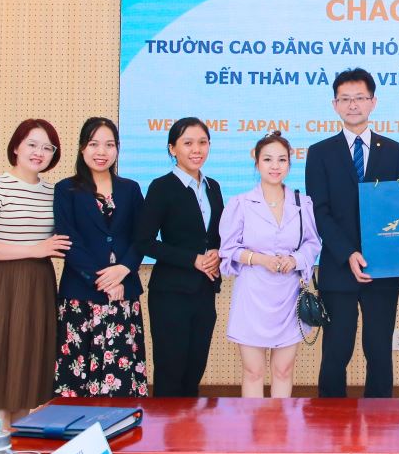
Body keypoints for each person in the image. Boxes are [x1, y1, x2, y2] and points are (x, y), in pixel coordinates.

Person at [305, 68, 399, 398]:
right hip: (339, 269)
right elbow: (320, 212)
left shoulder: (394, 150)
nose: (353, 105)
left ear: (373, 102)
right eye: (345, 99)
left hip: (384, 270)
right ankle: (330, 424)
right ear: (334, 104)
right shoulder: (320, 152)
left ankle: (381, 423)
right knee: (336, 353)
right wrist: (348, 253)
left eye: (360, 98)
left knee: (379, 353)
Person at [0, 119, 69, 424]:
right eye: (32, 144)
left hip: (38, 285)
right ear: (16, 147)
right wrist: (35, 249)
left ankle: (19, 444)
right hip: (1, 284)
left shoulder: (53, 193)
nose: (39, 152)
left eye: (47, 147)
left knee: (26, 370)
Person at [218, 132, 321, 397]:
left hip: (289, 296)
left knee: (283, 370)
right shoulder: (240, 203)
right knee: (253, 372)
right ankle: (254, 425)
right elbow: (228, 249)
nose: (275, 166)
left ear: (289, 163)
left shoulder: (302, 202)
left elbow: (313, 243)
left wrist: (295, 259)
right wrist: (259, 259)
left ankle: (279, 423)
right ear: (257, 162)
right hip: (252, 295)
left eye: (281, 160)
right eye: (268, 159)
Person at [53, 117, 148, 397]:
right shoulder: (66, 189)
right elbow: (68, 241)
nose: (101, 152)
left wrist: (124, 270)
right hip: (81, 296)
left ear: (117, 148)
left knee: (121, 380)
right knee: (77, 380)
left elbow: (141, 237)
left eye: (109, 144)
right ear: (82, 148)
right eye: (94, 144)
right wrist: (105, 280)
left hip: (123, 294)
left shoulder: (130, 189)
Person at [135, 117, 224, 397]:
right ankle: (168, 426)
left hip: (204, 291)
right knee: (170, 372)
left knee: (194, 370)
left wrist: (218, 253)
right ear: (172, 148)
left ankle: (189, 425)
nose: (196, 149)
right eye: (188, 143)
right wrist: (192, 259)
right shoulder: (162, 187)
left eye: (202, 142)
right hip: (170, 293)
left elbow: (216, 236)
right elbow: (144, 241)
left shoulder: (214, 187)